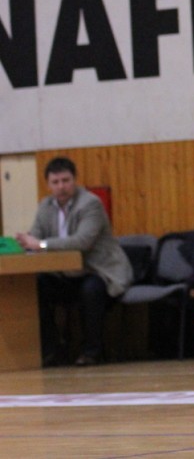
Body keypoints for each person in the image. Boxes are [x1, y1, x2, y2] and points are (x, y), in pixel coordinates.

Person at [15, 156, 133, 366]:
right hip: (65, 274)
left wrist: (40, 244)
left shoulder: (90, 203)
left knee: (90, 289)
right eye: (55, 182)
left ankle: (91, 352)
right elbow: (36, 236)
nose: (61, 186)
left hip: (99, 272)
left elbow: (82, 241)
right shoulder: (45, 206)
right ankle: (50, 350)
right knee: (36, 286)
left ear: (75, 180)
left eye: (66, 180)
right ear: (48, 184)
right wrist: (25, 242)